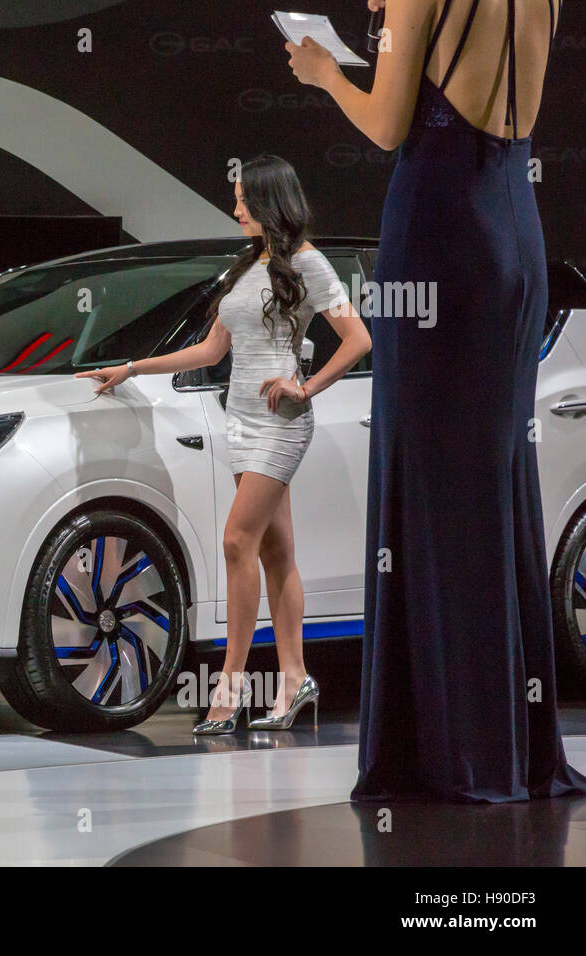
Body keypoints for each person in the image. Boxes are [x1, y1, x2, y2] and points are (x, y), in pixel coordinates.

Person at [286, 0, 584, 800]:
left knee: (429, 482)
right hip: (517, 233)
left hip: (441, 226)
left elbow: (389, 125)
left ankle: (451, 754)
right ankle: (510, 747)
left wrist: (324, 74)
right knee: (492, 488)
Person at [77, 155, 372, 734]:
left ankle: (230, 687)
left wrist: (305, 386)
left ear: (270, 199)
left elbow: (357, 337)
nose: (235, 208)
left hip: (281, 420)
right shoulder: (246, 265)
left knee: (237, 541)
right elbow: (211, 352)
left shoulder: (308, 264)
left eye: (244, 198)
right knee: (275, 552)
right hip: (237, 417)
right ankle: (294, 680)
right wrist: (134, 366)